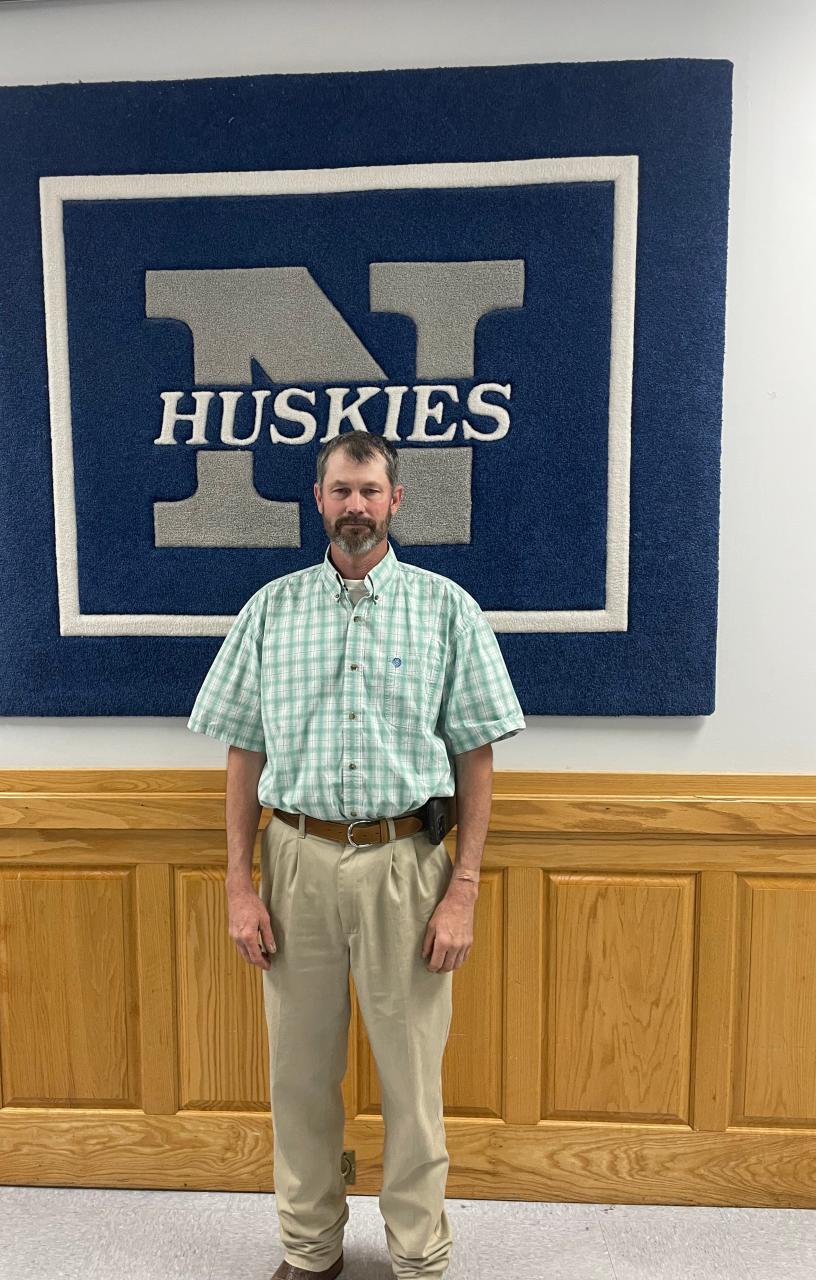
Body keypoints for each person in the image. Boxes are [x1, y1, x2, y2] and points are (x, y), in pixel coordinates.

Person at [187, 432, 526, 1280]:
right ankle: (310, 1251)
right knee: (299, 1077)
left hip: (407, 865)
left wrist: (465, 891)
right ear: (318, 499)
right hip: (294, 859)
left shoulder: (447, 609)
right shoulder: (271, 609)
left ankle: (419, 1256)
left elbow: (476, 754)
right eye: (340, 490)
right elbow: (241, 754)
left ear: (396, 501)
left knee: (412, 1083)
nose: (355, 507)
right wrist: (239, 883)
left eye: (370, 491)